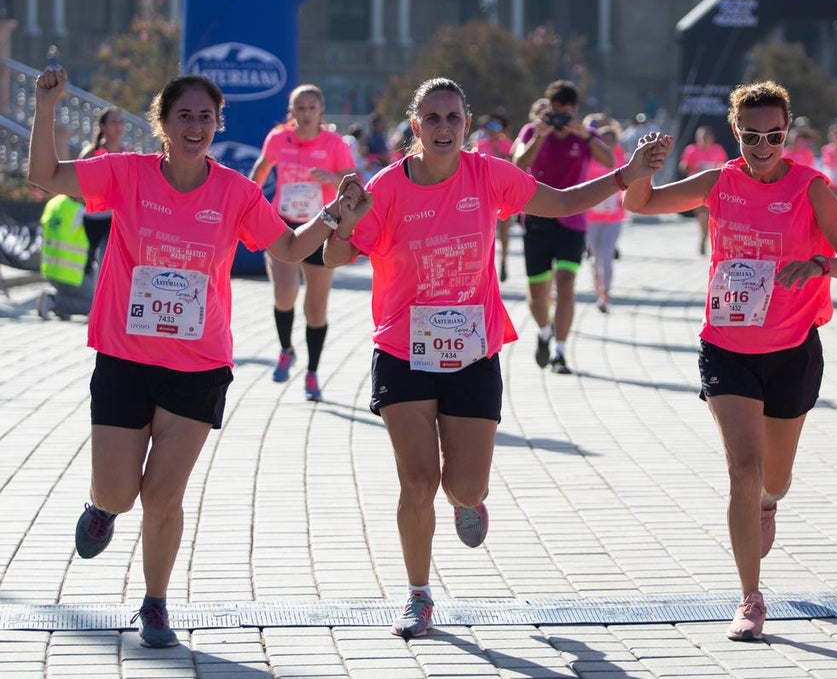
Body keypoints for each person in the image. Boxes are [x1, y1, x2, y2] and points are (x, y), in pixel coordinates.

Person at [323, 77, 668, 639]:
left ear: (466, 124)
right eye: (431, 118)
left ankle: (469, 501)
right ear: (415, 126)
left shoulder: (487, 174)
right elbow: (336, 257)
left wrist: (626, 174)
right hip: (402, 348)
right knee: (417, 480)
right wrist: (346, 218)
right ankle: (417, 595)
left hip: (472, 350)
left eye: (452, 118)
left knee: (464, 485)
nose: (442, 127)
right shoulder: (386, 186)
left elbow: (560, 202)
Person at [28, 65, 356, 649]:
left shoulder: (234, 191)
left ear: (217, 124)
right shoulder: (126, 173)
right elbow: (45, 175)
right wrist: (46, 108)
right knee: (119, 492)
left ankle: (155, 604)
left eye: (206, 116)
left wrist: (333, 214)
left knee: (163, 495)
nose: (196, 126)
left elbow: (287, 246)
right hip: (126, 358)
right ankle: (103, 507)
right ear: (162, 122)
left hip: (199, 365)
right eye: (184, 115)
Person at [622, 80, 837, 642]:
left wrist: (819, 266)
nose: (762, 146)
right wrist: (640, 169)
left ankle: (768, 504)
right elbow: (642, 203)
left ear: (787, 133)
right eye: (751, 136)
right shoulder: (719, 182)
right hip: (727, 346)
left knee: (772, 478)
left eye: (773, 136)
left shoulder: (810, 188)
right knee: (743, 468)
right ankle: (750, 598)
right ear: (735, 132)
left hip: (792, 348)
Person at [250, 84, 357, 401]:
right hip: (283, 224)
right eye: (300, 108)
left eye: (312, 108)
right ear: (292, 111)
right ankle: (286, 349)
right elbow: (261, 169)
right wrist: (248, 203)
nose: (306, 113)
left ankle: (312, 372)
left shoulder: (334, 144)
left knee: (316, 308)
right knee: (284, 294)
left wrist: (332, 179)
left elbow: (354, 185)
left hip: (321, 227)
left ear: (321, 111)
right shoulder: (277, 138)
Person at [512, 80, 616, 374]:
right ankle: (544, 330)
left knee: (566, 283)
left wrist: (585, 135)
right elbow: (518, 163)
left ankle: (560, 351)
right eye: (556, 111)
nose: (560, 118)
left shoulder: (585, 136)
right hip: (537, 219)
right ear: (549, 108)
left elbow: (609, 161)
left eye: (566, 112)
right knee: (537, 293)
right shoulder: (533, 131)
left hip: (573, 220)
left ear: (575, 111)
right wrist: (540, 136)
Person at [584, 119, 628, 312]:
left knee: (607, 254)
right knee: (595, 256)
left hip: (614, 216)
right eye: (605, 139)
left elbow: (629, 182)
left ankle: (606, 294)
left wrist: (623, 198)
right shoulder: (590, 156)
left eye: (612, 139)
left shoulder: (621, 156)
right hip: (592, 215)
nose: (609, 143)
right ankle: (598, 291)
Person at [77, 107, 127, 274]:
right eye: (113, 122)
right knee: (89, 265)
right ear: (103, 126)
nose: (118, 126)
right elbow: (76, 186)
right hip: (92, 218)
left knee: (106, 262)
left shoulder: (127, 154)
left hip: (115, 219)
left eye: (121, 122)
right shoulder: (91, 153)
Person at [37, 192, 94, 320]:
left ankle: (63, 308)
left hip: (50, 269)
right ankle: (53, 301)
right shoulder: (79, 210)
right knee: (94, 303)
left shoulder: (53, 203)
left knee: (74, 293)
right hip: (71, 272)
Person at [473, 113, 515, 282]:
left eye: (497, 127)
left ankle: (504, 260)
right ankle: (485, 266)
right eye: (490, 126)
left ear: (503, 129)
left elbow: (513, 165)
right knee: (484, 233)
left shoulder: (508, 144)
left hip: (504, 193)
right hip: (484, 194)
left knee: (504, 231)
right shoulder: (480, 145)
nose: (493, 130)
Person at [678, 125, 728, 255]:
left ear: (711, 138)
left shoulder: (718, 149)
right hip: (696, 188)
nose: (703, 140)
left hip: (714, 188)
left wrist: (719, 167)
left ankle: (708, 239)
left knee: (712, 216)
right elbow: (683, 166)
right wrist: (692, 168)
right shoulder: (692, 150)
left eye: (706, 137)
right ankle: (704, 236)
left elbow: (724, 164)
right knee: (702, 215)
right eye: (701, 138)